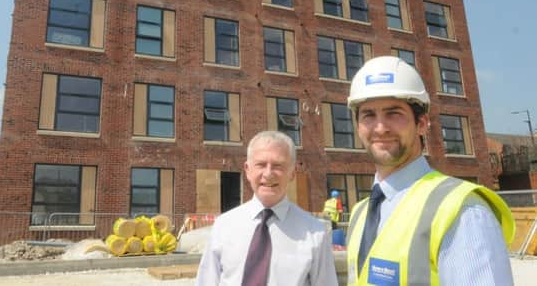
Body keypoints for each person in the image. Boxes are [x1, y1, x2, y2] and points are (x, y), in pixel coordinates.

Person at [345, 56, 515, 285]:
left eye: (394, 113)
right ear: (358, 126)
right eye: (368, 115)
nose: (381, 128)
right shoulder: (360, 213)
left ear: (422, 124)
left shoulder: (462, 210)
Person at [196, 130, 338, 285]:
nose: (268, 174)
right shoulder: (223, 226)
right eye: (261, 165)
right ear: (248, 170)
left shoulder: (315, 233)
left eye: (278, 165)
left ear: (292, 173)